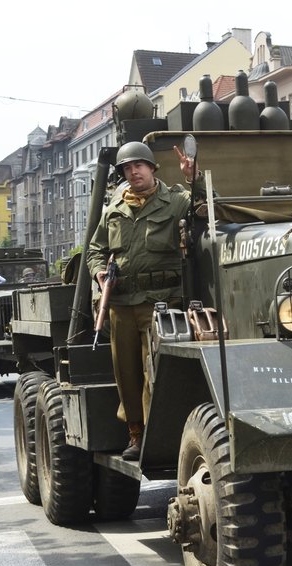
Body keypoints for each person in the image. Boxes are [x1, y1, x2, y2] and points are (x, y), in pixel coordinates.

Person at [86, 140, 196, 461]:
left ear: (151, 168)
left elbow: (206, 208)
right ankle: (136, 433)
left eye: (139, 166)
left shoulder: (175, 201)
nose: (133, 172)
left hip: (160, 302)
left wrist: (193, 178)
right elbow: (95, 250)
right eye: (126, 168)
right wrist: (98, 275)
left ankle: (161, 432)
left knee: (156, 369)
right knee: (127, 372)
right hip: (121, 303)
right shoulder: (115, 208)